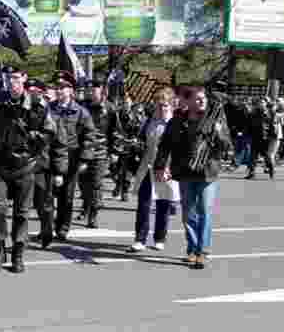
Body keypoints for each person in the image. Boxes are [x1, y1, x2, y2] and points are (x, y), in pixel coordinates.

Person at [0, 66, 63, 273]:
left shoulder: (37, 103)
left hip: (25, 165)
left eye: (16, 78)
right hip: (1, 165)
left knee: (22, 213)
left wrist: (31, 137)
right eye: (9, 78)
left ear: (24, 79)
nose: (12, 82)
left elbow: (50, 132)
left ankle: (18, 253)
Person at [154, 84, 232, 269]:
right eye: (197, 98)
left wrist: (221, 134)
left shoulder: (216, 120)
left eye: (203, 98)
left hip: (207, 173)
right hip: (185, 172)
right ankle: (192, 248)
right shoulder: (177, 121)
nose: (202, 101)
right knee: (188, 214)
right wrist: (160, 166)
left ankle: (202, 251)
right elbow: (165, 145)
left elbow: (227, 145)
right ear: (188, 101)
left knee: (205, 211)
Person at [49, 72, 97, 242]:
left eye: (63, 88)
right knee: (46, 195)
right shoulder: (49, 108)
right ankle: (47, 227)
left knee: (66, 196)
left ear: (71, 90)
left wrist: (84, 159)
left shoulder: (81, 112)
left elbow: (89, 136)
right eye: (57, 87)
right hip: (50, 156)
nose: (59, 90)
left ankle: (62, 227)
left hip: (71, 156)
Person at [129, 88, 179, 251]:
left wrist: (171, 168)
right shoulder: (149, 122)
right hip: (146, 167)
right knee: (143, 204)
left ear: (172, 105)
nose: (161, 108)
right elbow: (141, 142)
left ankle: (159, 237)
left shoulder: (175, 124)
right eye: (158, 105)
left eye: (164, 105)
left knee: (163, 204)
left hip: (166, 169)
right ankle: (140, 239)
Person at [26, 78, 67, 249]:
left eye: (35, 91)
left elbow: (60, 145)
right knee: (23, 205)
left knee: (44, 204)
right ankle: (20, 239)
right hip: (24, 165)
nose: (32, 94)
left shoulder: (53, 117)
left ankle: (47, 232)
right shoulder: (22, 112)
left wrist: (59, 171)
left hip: (44, 166)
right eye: (29, 90)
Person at [80, 79, 123, 228]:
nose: (91, 92)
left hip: (101, 151)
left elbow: (115, 131)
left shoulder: (110, 108)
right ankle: (86, 205)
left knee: (96, 184)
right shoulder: (82, 106)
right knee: (84, 184)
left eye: (94, 89)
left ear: (101, 90)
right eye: (89, 90)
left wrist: (115, 152)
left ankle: (93, 215)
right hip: (83, 151)